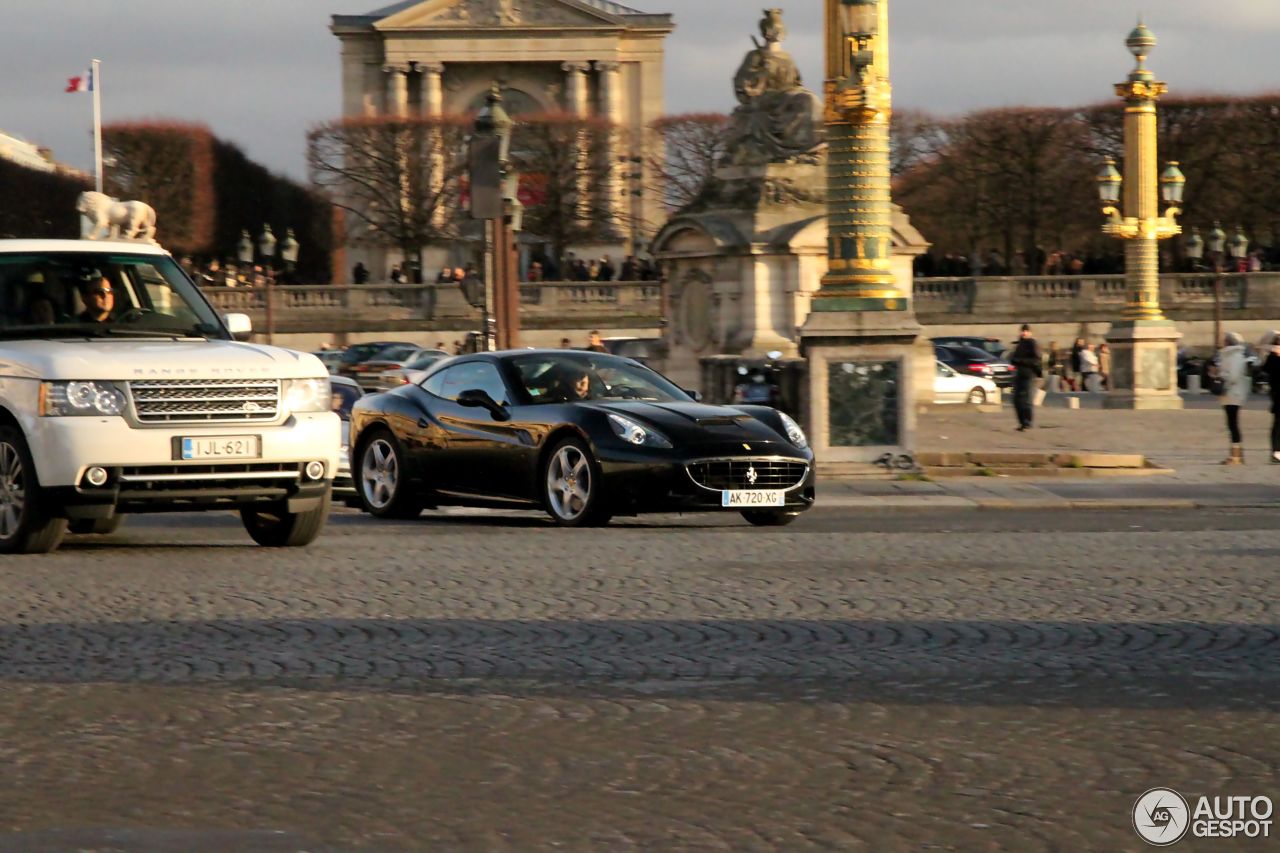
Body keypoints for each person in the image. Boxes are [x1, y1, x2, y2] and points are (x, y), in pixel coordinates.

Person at [1211, 332, 1251, 464]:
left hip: (1233, 394)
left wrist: (1220, 377)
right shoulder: (1228, 355)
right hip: (1230, 394)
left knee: (1233, 424)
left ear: (1228, 342)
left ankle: (1236, 456)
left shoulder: (1235, 356)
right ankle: (1236, 454)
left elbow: (1233, 376)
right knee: (1231, 423)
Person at [1009, 324, 1043, 431]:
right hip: (1019, 374)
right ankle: (1022, 422)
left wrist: (1020, 361)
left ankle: (1027, 422)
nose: (1024, 333)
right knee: (1016, 400)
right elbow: (1013, 358)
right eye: (1023, 331)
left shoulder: (1032, 343)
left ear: (1030, 333)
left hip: (1029, 374)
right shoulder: (1019, 344)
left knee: (1027, 399)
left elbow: (1036, 360)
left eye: (1026, 331)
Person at [1262, 331, 1280, 463]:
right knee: (1278, 424)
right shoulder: (1272, 358)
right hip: (1277, 394)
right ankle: (1276, 451)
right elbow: (1266, 369)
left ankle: (1276, 451)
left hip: (1275, 394)